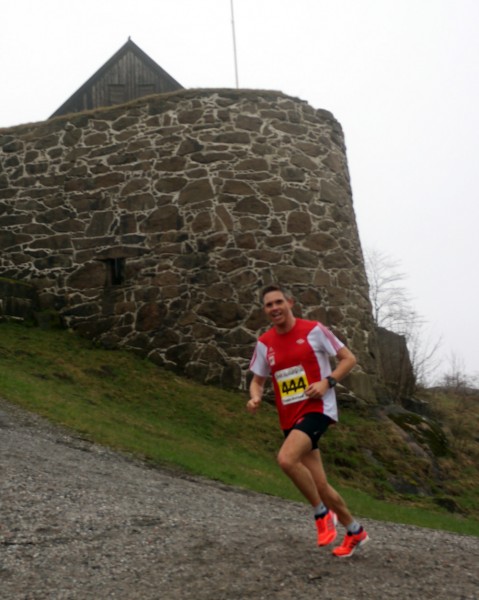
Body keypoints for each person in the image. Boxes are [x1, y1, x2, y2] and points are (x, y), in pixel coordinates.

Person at [247, 284, 369, 558]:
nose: (275, 308)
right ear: (264, 310)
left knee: (286, 460)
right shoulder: (265, 343)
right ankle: (355, 530)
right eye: (269, 305)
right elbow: (257, 381)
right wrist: (255, 398)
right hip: (289, 417)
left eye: (279, 302)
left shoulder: (314, 330)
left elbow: (349, 359)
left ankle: (322, 514)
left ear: (290, 302)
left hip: (318, 409)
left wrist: (328, 382)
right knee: (321, 485)